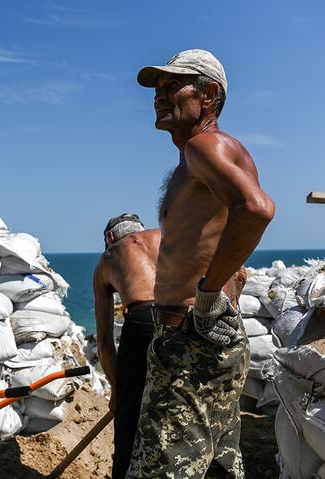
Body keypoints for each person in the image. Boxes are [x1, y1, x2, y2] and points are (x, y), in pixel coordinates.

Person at [127, 49, 275, 478]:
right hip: (200, 336)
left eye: (173, 86)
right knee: (216, 468)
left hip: (191, 340)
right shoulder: (208, 153)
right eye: (157, 88)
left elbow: (256, 209)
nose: (159, 95)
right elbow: (224, 233)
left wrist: (209, 293)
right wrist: (227, 283)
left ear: (209, 94)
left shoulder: (204, 145)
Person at [93, 214, 159, 479]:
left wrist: (118, 392)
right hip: (189, 317)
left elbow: (105, 341)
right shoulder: (165, 237)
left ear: (110, 238)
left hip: (143, 321)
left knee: (129, 424)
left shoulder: (107, 259)